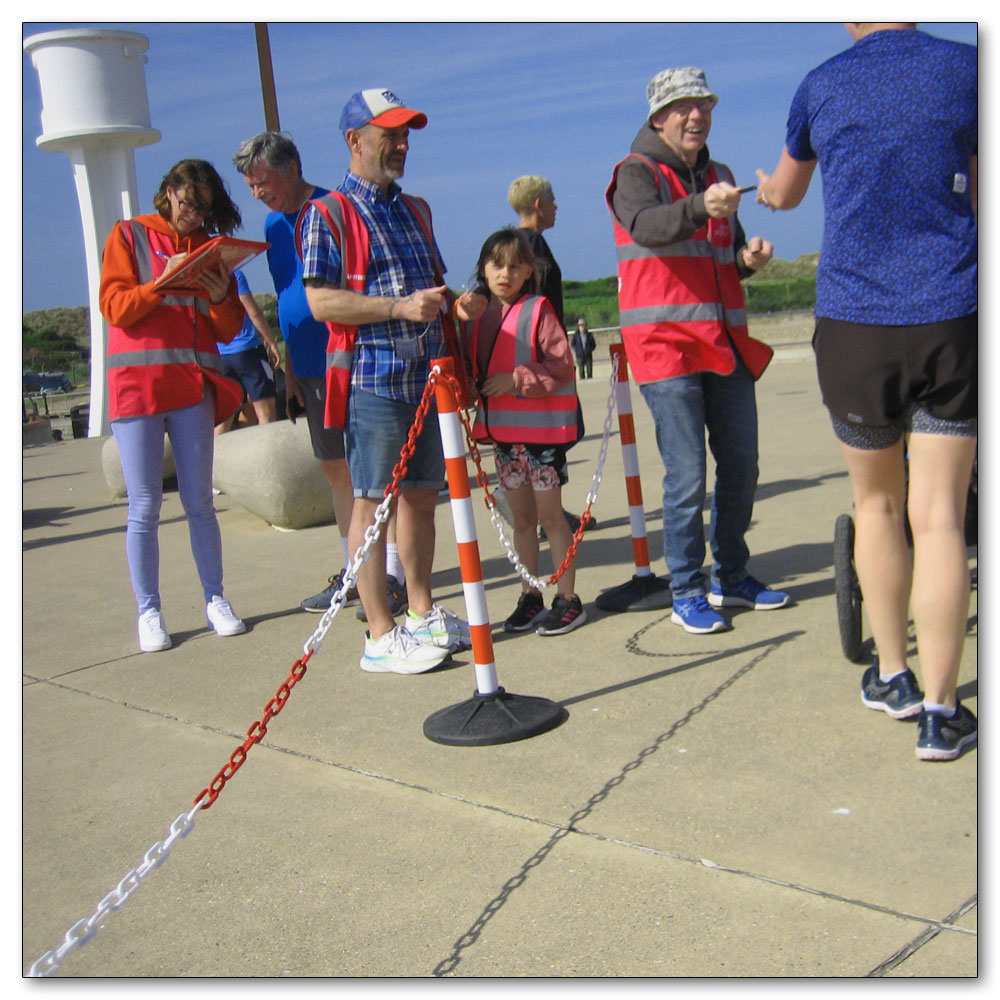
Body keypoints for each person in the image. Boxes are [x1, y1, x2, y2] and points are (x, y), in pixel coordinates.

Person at [756, 23, 978, 761]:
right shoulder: (969, 67)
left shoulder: (821, 83)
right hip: (952, 310)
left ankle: (893, 676)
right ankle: (943, 715)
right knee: (941, 516)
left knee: (878, 506)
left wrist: (761, 188)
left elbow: (784, 195)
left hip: (855, 325)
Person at [298, 89, 486, 674]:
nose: (403, 146)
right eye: (391, 136)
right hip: (374, 379)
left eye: (406, 135)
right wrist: (400, 307)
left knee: (422, 498)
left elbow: (430, 288)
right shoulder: (326, 214)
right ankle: (379, 632)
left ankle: (422, 611)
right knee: (371, 503)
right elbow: (321, 301)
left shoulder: (416, 210)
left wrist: (458, 307)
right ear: (355, 141)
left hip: (429, 378)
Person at [605, 66, 789, 635]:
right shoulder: (633, 173)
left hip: (723, 344)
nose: (697, 115)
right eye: (684, 106)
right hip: (665, 348)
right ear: (658, 116)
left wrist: (747, 262)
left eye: (704, 105)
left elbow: (722, 255)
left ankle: (730, 574)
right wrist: (699, 207)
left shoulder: (723, 177)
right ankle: (685, 586)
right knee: (686, 475)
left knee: (741, 464)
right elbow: (648, 226)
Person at [232, 132, 407, 619]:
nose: (257, 194)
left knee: (372, 475)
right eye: (249, 186)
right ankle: (355, 572)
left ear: (291, 168)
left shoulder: (336, 208)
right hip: (306, 366)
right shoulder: (271, 227)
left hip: (351, 359)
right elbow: (286, 293)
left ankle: (388, 573)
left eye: (262, 182)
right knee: (335, 469)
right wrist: (287, 367)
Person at [99, 158, 248, 652]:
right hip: (138, 388)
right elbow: (115, 307)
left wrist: (223, 292)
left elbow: (227, 330)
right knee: (143, 505)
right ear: (169, 191)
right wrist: (158, 286)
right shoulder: (129, 235)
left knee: (199, 502)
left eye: (204, 208)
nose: (193, 214)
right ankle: (149, 611)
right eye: (188, 202)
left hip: (192, 386)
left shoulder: (209, 247)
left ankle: (216, 599)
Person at [465, 228, 586, 636]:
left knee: (551, 518)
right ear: (483, 268)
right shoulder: (475, 316)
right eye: (497, 264)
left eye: (515, 266)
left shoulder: (539, 309)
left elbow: (563, 366)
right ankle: (530, 595)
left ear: (529, 271)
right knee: (520, 519)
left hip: (542, 438)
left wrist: (516, 379)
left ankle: (567, 599)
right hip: (503, 437)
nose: (505, 273)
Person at [214, 267, 282, 433]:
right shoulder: (233, 274)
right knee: (265, 412)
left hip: (221, 354)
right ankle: (268, 457)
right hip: (248, 349)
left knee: (225, 418)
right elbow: (253, 312)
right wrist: (271, 342)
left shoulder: (204, 278)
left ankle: (215, 458)